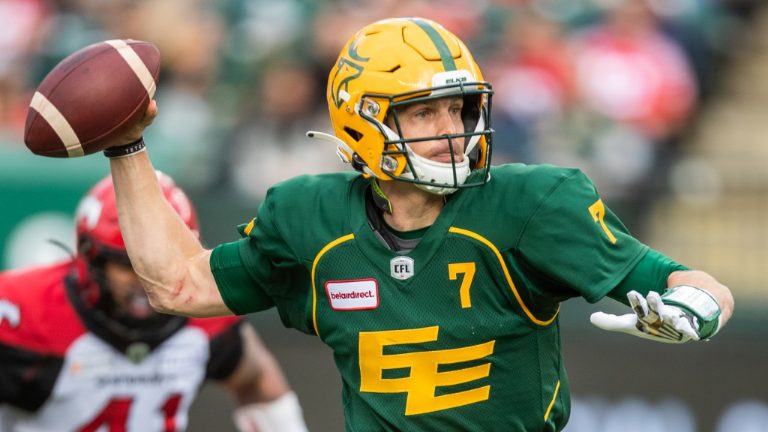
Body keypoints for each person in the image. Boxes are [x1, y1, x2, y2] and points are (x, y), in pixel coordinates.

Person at [99, 17, 732, 431]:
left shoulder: (530, 204)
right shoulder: (308, 219)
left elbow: (691, 282)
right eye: (424, 114)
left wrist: (697, 306)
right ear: (360, 123)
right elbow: (176, 286)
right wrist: (128, 146)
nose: (452, 132)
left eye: (459, 110)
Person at [0, 173, 308, 432]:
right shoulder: (22, 311)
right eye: (128, 264)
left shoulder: (204, 309)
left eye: (162, 262)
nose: (147, 278)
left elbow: (257, 382)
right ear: (91, 259)